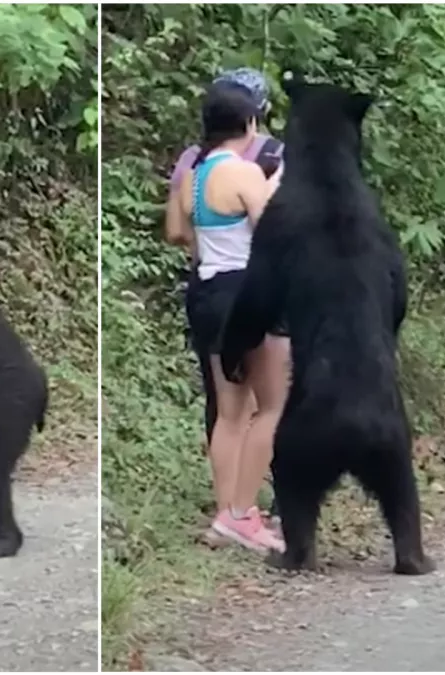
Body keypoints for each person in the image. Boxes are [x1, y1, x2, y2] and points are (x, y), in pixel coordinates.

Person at [165, 82, 288, 553]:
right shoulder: (244, 173)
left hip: (207, 292)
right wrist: (275, 189)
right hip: (249, 293)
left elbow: (180, 233)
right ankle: (243, 513)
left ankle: (227, 515)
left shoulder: (192, 177)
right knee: (272, 406)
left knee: (230, 411)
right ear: (251, 125)